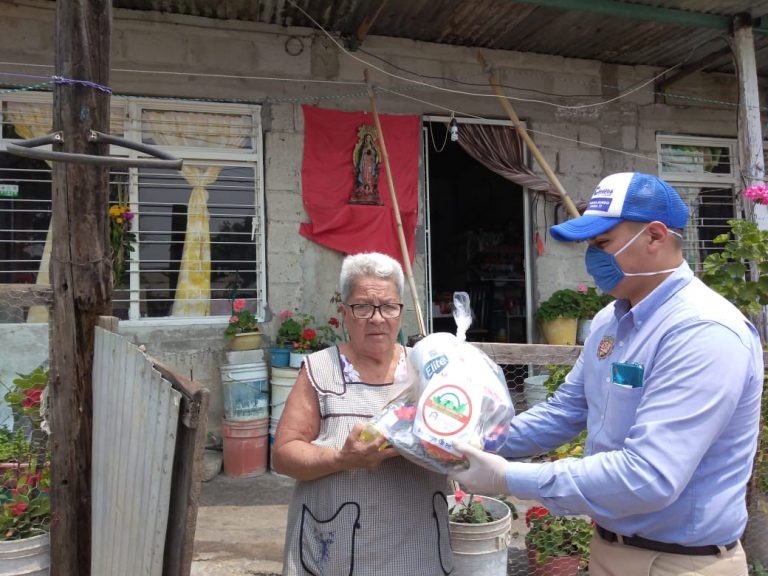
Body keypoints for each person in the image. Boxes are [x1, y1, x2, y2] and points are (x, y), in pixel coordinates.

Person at [453, 172, 764, 576]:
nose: (591, 258)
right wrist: (472, 438)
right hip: (607, 548)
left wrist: (509, 477)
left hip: (681, 563)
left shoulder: (704, 332)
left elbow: (649, 475)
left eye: (603, 244)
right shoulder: (609, 321)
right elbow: (564, 411)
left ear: (654, 236)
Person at [273, 252, 454, 576]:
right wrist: (342, 459)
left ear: (401, 312)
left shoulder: (428, 371)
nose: (376, 318)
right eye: (362, 307)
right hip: (338, 550)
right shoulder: (320, 370)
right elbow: (284, 455)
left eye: (387, 306)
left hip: (419, 545)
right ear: (344, 312)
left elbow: (458, 440)